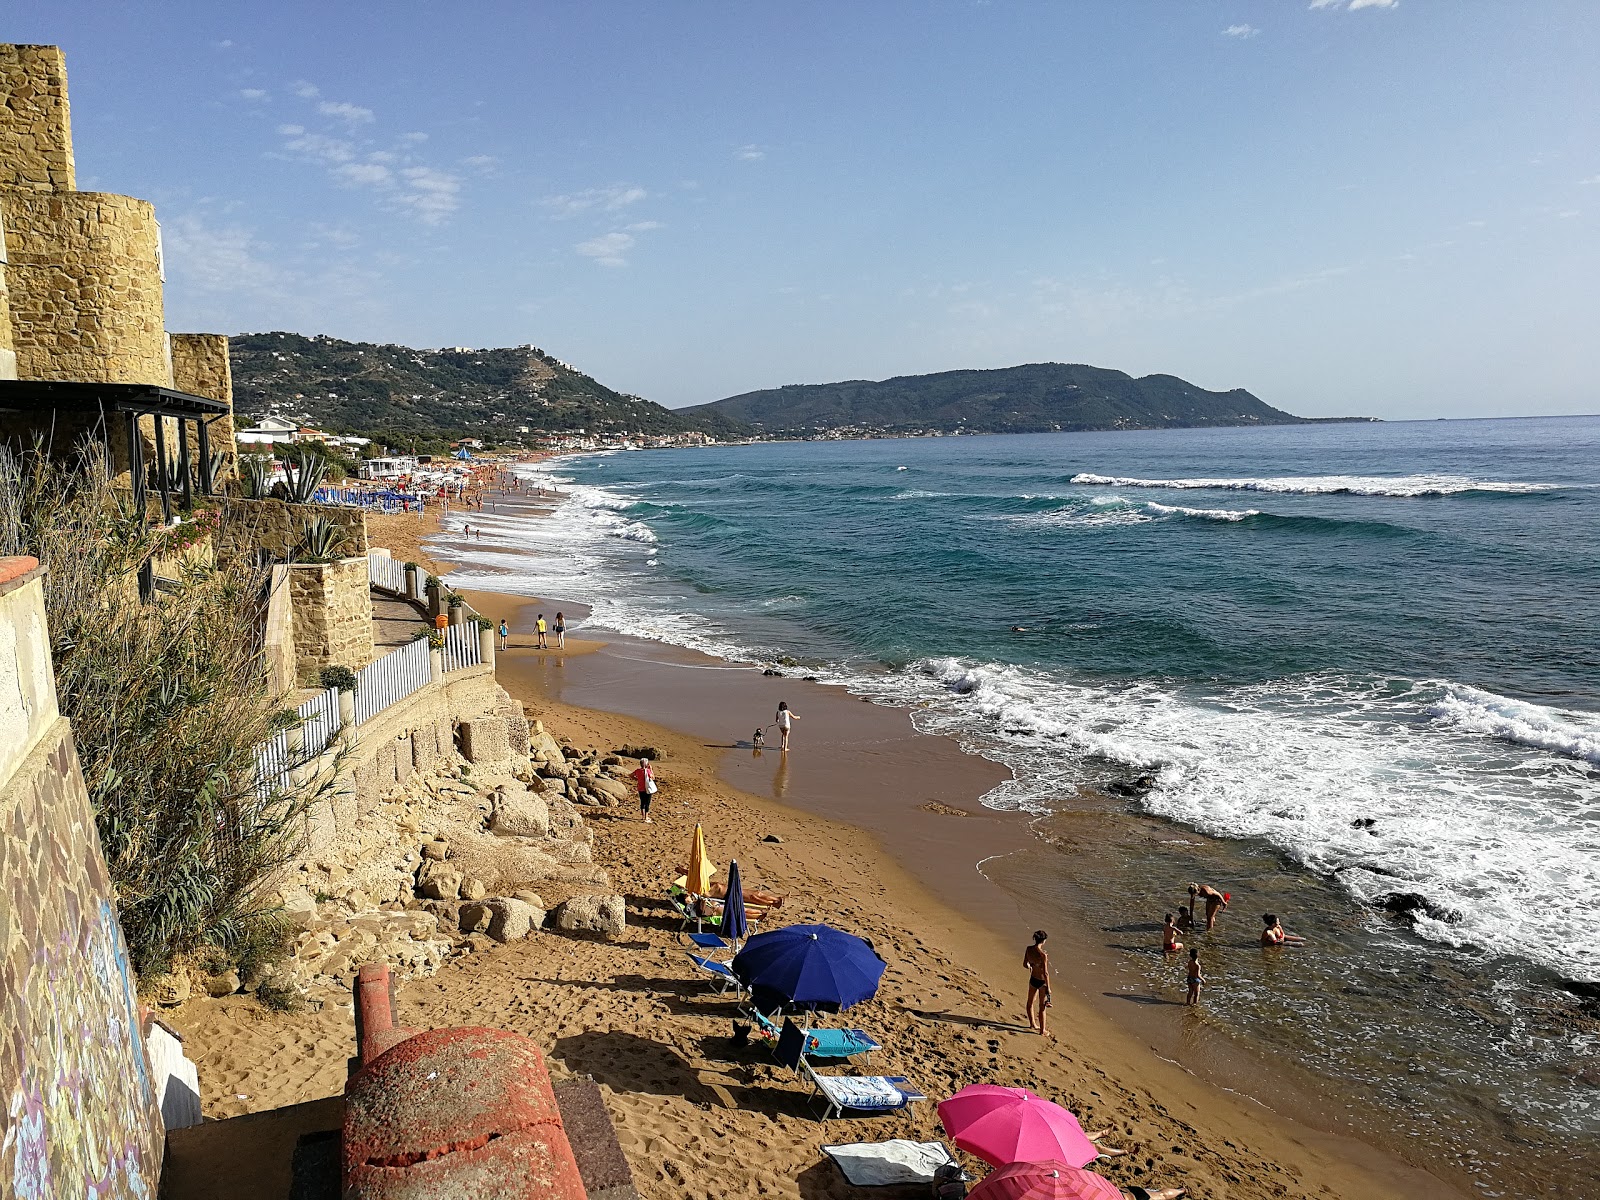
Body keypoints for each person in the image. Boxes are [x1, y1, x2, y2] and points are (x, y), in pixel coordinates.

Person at [1023, 930, 1051, 1036]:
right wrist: (1048, 987)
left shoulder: (1029, 949)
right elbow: (1046, 973)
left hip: (1033, 979)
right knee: (1042, 1007)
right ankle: (1042, 1030)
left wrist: (1031, 966)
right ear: (1043, 941)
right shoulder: (1043, 955)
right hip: (1042, 982)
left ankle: (1032, 1024)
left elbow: (1025, 964)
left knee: (1030, 1002)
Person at [631, 757, 656, 823]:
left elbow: (631, 775)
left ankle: (643, 816)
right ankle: (646, 817)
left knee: (642, 802)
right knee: (647, 803)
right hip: (647, 788)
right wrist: (651, 769)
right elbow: (653, 777)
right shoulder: (647, 771)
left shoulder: (638, 771)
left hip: (640, 788)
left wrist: (637, 779)